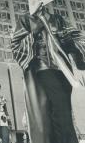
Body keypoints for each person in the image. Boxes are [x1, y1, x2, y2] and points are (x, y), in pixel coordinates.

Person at [11, 8, 85, 143]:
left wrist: (67, 40)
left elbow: (77, 37)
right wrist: (35, 31)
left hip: (64, 70)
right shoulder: (26, 19)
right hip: (42, 68)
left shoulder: (58, 18)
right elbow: (16, 44)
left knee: (60, 109)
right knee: (59, 108)